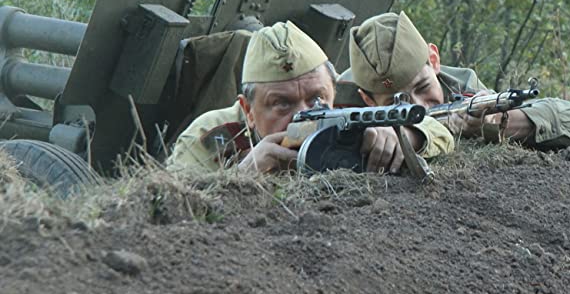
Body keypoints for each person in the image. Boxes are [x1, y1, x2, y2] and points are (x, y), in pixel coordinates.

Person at [168, 21, 453, 174]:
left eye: (317, 98)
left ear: (333, 89)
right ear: (249, 110)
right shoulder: (213, 134)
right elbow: (174, 204)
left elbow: (437, 127)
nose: (303, 114)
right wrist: (242, 176)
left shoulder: (347, 111)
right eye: (282, 103)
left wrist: (402, 134)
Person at [341, 11, 570, 149]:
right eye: (398, 101)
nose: (419, 106)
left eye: (423, 87)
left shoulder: (461, 88)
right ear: (368, 100)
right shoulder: (340, 101)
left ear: (434, 60)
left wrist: (493, 123)